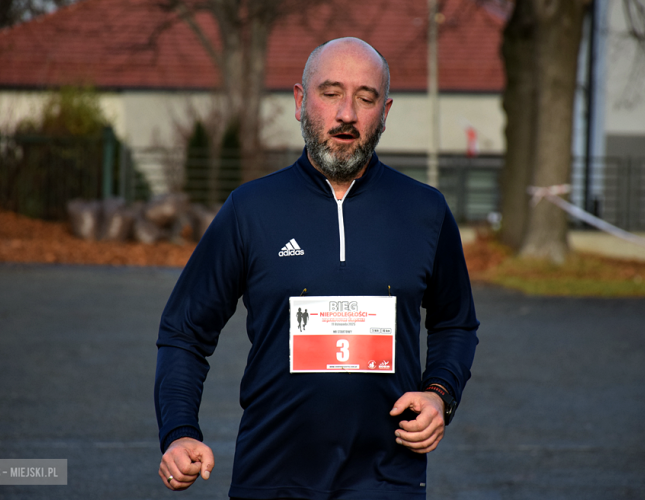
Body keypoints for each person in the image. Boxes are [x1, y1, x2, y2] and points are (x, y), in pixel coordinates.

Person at [155, 37, 479, 500]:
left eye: (365, 98)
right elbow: (184, 332)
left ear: (385, 112)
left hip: (387, 483)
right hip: (271, 480)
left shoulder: (425, 211)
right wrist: (179, 431)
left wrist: (440, 393)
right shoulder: (250, 209)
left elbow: (455, 323)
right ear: (300, 101)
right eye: (331, 94)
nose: (347, 113)